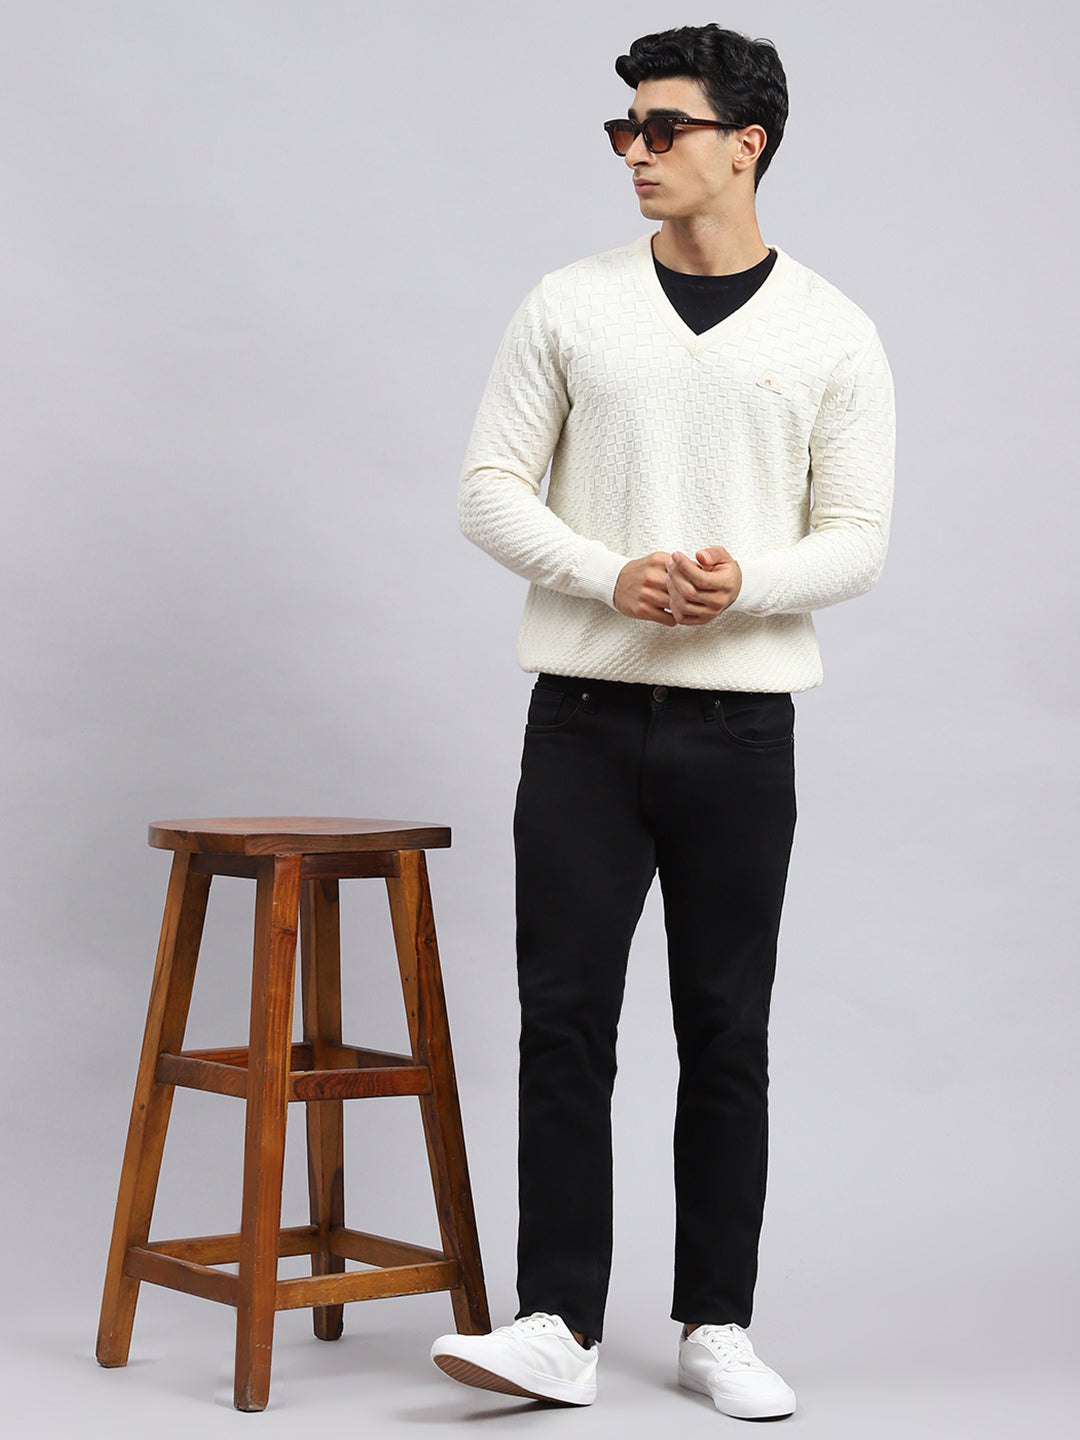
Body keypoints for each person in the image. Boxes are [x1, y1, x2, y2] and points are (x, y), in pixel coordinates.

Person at [430, 22, 894, 1422]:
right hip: (578, 720)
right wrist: (605, 572)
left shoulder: (831, 329)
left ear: (746, 144)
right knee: (562, 1021)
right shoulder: (569, 305)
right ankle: (556, 1323)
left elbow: (857, 536)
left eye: (664, 127)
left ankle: (717, 1323)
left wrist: (746, 584)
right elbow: (489, 487)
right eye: (624, 127)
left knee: (726, 1028)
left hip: (741, 730)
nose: (635, 150)